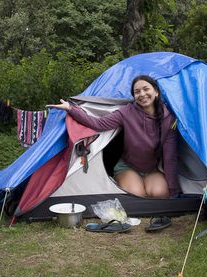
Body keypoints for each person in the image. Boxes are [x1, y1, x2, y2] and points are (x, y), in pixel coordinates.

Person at [47, 75, 180, 199]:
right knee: (137, 195)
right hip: (128, 166)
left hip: (151, 169)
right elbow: (98, 124)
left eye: (146, 89)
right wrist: (71, 109)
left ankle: (146, 183)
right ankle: (127, 180)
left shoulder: (168, 119)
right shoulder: (126, 112)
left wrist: (173, 189)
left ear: (156, 92)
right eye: (137, 91)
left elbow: (170, 157)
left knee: (161, 193)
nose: (142, 94)